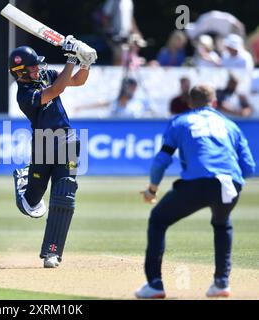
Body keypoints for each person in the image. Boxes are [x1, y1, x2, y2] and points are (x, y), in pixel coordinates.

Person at [136, 85, 256, 299]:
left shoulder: (180, 121)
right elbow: (249, 168)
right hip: (230, 184)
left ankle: (155, 284)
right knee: (222, 223)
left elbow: (161, 161)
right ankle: (221, 282)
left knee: (158, 220)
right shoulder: (230, 125)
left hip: (198, 183)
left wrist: (152, 189)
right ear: (215, 103)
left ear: (190, 104)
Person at [9, 37, 97, 268]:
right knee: (33, 202)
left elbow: (77, 81)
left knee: (65, 193)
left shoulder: (45, 75)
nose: (38, 68)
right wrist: (70, 57)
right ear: (21, 72)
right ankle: (24, 185)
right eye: (33, 66)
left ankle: (52, 252)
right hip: (43, 144)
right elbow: (56, 90)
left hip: (67, 139)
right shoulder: (24, 95)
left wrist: (85, 63)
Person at [101, 0, 143, 65]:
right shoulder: (113, 1)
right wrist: (110, 32)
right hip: (116, 35)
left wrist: (136, 32)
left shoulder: (129, 1)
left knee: (128, 57)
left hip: (127, 35)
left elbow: (130, 18)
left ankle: (124, 74)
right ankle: (116, 74)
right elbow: (105, 16)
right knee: (119, 56)